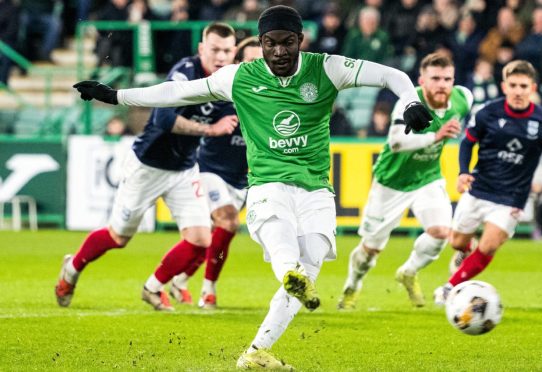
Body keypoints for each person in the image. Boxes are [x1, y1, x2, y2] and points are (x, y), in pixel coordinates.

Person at [72, 6, 432, 369]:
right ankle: (289, 274)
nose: (279, 51)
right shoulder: (238, 77)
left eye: (287, 43)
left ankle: (256, 350)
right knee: (283, 247)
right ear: (260, 43)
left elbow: (393, 75)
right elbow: (177, 92)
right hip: (267, 183)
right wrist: (115, 96)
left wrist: (411, 101)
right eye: (271, 43)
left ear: (300, 41)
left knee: (315, 258)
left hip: (316, 187)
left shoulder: (327, 67)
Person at [55, 23, 239, 311]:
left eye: (227, 51)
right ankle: (72, 268)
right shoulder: (185, 72)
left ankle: (153, 287)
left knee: (201, 239)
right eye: (214, 49)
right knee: (118, 237)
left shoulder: (230, 82)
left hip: (184, 169)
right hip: (148, 165)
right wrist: (211, 130)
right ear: (201, 49)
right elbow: (165, 121)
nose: (221, 56)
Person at [338, 53, 472, 310]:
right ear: (422, 80)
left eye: (447, 79)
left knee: (440, 233)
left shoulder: (463, 98)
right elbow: (396, 142)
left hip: (427, 178)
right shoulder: (410, 102)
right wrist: (436, 136)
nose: (442, 84)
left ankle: (408, 272)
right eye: (435, 79)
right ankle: (352, 286)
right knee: (370, 250)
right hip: (391, 182)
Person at [433, 60, 542, 305]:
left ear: (533, 88)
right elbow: (467, 142)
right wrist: (463, 172)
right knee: (457, 242)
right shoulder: (487, 113)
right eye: (513, 85)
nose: (518, 91)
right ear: (504, 86)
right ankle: (464, 252)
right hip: (479, 188)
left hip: (512, 197)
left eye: (523, 86)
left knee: (490, 245)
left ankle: (451, 287)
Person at [164, 37, 263, 310]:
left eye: (262, 61)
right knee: (228, 222)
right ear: (238, 63)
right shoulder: (223, 92)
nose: (258, 66)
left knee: (212, 237)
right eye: (251, 61)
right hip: (209, 170)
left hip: (241, 179)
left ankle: (180, 279)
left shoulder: (272, 98)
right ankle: (208, 291)